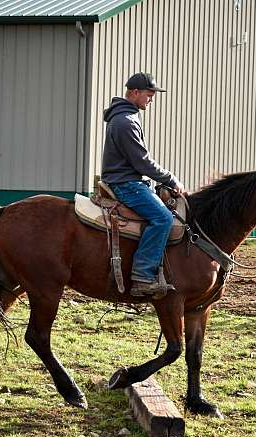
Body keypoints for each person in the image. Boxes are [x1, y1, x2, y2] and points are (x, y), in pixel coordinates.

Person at [101, 72, 184, 297]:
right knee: (163, 218)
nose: (151, 99)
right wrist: (170, 178)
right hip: (127, 184)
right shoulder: (126, 122)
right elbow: (143, 162)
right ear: (134, 92)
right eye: (149, 94)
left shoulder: (124, 117)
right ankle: (143, 276)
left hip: (126, 179)